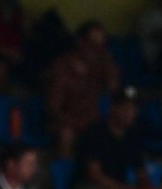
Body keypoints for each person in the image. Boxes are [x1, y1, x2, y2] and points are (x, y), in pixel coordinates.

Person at [44, 20, 120, 155]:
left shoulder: (101, 65)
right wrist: (74, 122)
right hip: (64, 121)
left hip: (91, 121)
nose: (97, 50)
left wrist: (107, 62)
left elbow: (113, 87)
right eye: (92, 45)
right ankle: (64, 170)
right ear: (81, 42)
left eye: (101, 46)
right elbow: (53, 107)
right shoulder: (63, 66)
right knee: (66, 134)